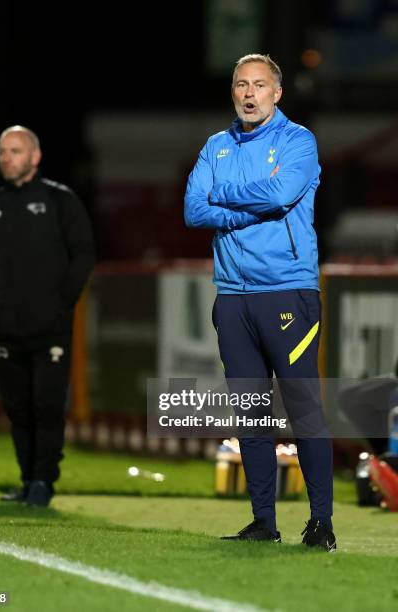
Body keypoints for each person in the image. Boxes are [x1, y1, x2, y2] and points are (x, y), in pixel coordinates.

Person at [184, 54, 336, 551]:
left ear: (277, 94)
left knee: (304, 408)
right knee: (250, 414)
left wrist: (223, 198)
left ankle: (321, 524)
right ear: (232, 93)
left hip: (287, 291)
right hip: (232, 297)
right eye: (241, 85)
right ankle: (263, 521)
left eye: (259, 85)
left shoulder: (298, 141)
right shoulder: (215, 145)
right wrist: (242, 208)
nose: (249, 94)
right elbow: (192, 209)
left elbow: (278, 196)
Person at [0, 126, 95, 507]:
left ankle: (43, 482)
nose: (7, 158)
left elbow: (84, 252)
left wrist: (63, 302)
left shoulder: (59, 200)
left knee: (47, 405)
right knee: (17, 408)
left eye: (15, 151)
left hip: (50, 326)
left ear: (34, 157)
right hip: (5, 328)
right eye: (3, 151)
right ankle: (26, 480)